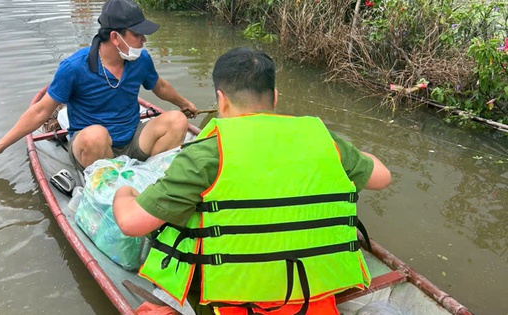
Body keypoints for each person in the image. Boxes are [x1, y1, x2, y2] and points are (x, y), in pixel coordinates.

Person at [112, 47, 391, 315]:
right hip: (311, 293)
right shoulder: (323, 141)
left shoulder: (206, 155)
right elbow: (382, 176)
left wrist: (124, 192)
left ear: (221, 99)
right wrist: (340, 150)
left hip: (232, 304)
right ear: (275, 97)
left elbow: (131, 223)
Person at [0, 0, 197, 170]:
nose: (144, 41)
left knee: (177, 121)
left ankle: (147, 175)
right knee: (95, 136)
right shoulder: (74, 68)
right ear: (116, 37)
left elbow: (160, 87)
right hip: (93, 147)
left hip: (132, 139)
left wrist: (185, 104)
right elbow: (40, 111)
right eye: (138, 35)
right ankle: (104, 182)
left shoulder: (140, 60)